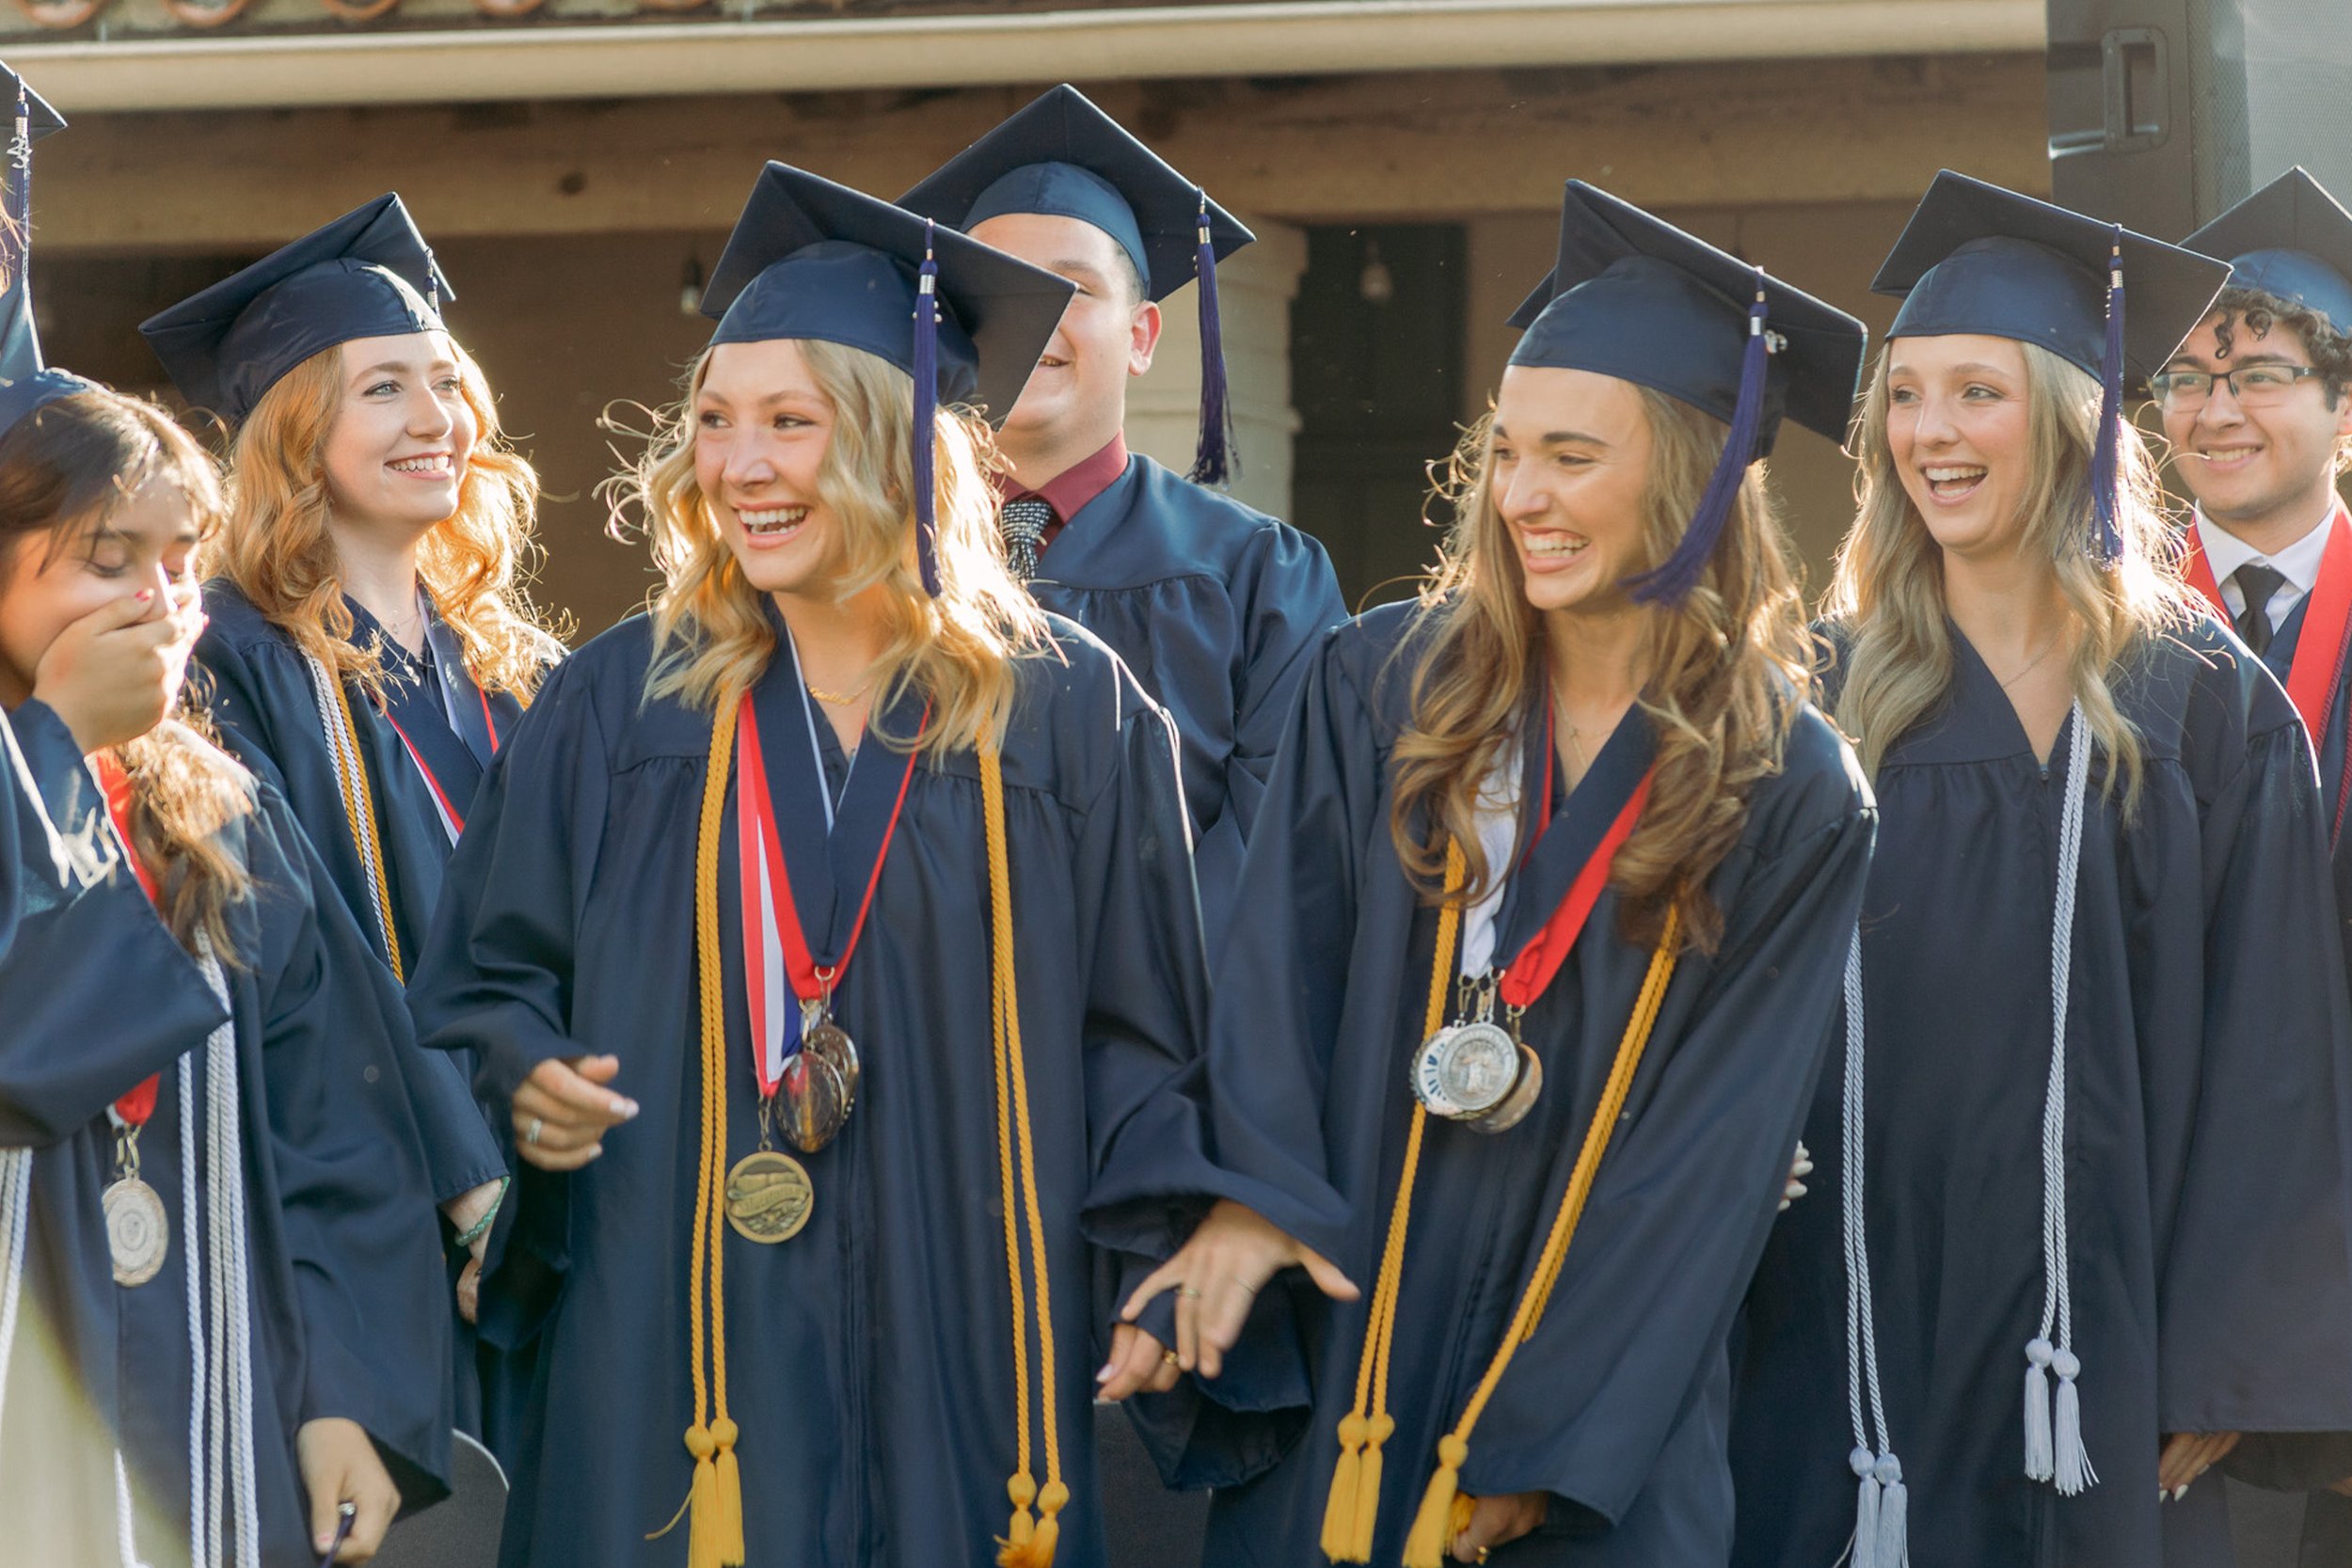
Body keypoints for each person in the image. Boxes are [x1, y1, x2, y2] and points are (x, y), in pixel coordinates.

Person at [405, 163, 1209, 1568]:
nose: (740, 465)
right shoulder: (620, 707)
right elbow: (485, 973)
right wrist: (526, 1071)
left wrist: (1153, 1249)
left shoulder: (1067, 712)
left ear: (898, 443)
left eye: (791, 421)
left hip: (969, 1326)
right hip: (677, 1323)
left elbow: (1147, 1028)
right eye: (714, 421)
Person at [1104, 182, 1876, 1567]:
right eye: (1506, 451)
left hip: (1592, 1409)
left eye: (1572, 456)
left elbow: (1713, 1154)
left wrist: (1550, 1439)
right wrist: (1250, 1199)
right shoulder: (1382, 681)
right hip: (1355, 1328)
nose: (1521, 496)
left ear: (1698, 477)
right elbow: (1275, 972)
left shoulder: (1789, 781)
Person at [1728, 172, 2352, 1568]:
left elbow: (2273, 1057)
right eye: (1905, 396)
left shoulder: (2208, 705)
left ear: (2071, 418)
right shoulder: (1814, 696)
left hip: (2106, 1339)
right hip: (1847, 1318)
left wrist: (2218, 1355)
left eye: (1977, 393)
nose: (1929, 432)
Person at [0, 127, 453, 1552]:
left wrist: (349, 1394)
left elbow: (337, 1117)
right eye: (106, 558)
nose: (160, 600)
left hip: (224, 1404)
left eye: (180, 560)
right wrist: (51, 745)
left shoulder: (217, 802)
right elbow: (24, 1045)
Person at [139, 197, 546, 1418]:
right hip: (384, 1220)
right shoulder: (227, 663)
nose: (436, 418)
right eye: (382, 388)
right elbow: (299, 939)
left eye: (447, 381)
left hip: (559, 1189)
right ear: (297, 432)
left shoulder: (520, 672)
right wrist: (468, 1176)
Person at [901, 84, 1346, 919]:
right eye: (994, 287)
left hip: (1169, 1002)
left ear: (1140, 337)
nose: (1032, 316)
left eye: (1069, 290)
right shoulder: (875, 559)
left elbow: (1282, 855)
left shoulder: (1259, 579)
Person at [2161, 164, 2352, 1560]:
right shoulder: (2094, 624)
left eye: (2263, 374)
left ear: (2345, 405)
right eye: (2186, 377)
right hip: (2164, 1220)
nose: (2216, 408)